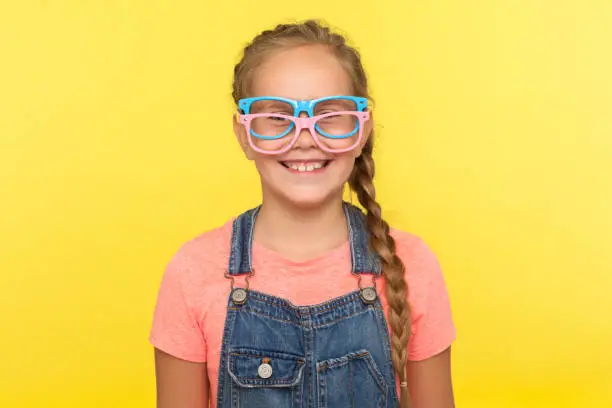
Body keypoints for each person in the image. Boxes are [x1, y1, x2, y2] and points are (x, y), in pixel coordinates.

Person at [150, 19, 456, 408]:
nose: (306, 137)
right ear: (245, 134)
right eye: (278, 118)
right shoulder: (192, 271)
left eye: (330, 116)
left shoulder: (412, 265)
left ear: (361, 130)